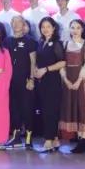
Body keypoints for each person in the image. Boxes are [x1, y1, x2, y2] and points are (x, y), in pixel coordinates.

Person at [60, 19, 85, 154]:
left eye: (78, 28)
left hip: (81, 79)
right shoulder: (65, 44)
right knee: (73, 107)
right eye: (72, 27)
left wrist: (78, 80)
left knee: (83, 108)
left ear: (82, 29)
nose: (75, 30)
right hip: (68, 79)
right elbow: (62, 64)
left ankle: (83, 141)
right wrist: (65, 79)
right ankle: (78, 138)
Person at [34, 17, 66, 152]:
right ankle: (55, 139)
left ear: (53, 28)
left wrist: (46, 69)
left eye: (48, 26)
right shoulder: (41, 42)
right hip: (42, 81)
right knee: (45, 110)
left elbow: (62, 62)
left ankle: (48, 140)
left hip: (52, 80)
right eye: (43, 27)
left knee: (50, 111)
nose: (45, 29)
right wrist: (36, 70)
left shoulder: (57, 43)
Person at [5, 16, 38, 148]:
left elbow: (33, 61)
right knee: (14, 109)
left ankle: (29, 137)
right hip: (11, 81)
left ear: (24, 24)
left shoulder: (30, 41)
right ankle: (16, 137)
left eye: (19, 22)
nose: (16, 24)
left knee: (27, 108)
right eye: (14, 22)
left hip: (26, 80)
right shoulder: (7, 41)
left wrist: (32, 79)